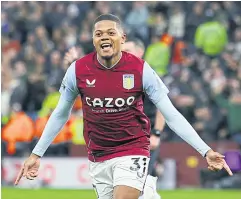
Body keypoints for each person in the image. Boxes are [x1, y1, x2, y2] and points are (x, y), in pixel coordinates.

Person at [15, 14, 233, 199]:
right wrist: (36, 154)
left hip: (133, 149)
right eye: (99, 34)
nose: (105, 37)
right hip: (98, 155)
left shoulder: (140, 69)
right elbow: (60, 114)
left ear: (122, 37)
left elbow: (171, 114)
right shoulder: (78, 70)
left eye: (111, 32)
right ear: (93, 40)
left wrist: (205, 151)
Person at [63, 38, 165, 199]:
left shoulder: (146, 74)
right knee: (132, 186)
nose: (124, 54)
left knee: (141, 183)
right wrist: (75, 64)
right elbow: (92, 78)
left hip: (143, 138)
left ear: (140, 52)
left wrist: (157, 134)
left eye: (129, 50)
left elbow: (163, 108)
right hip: (119, 139)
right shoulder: (118, 74)